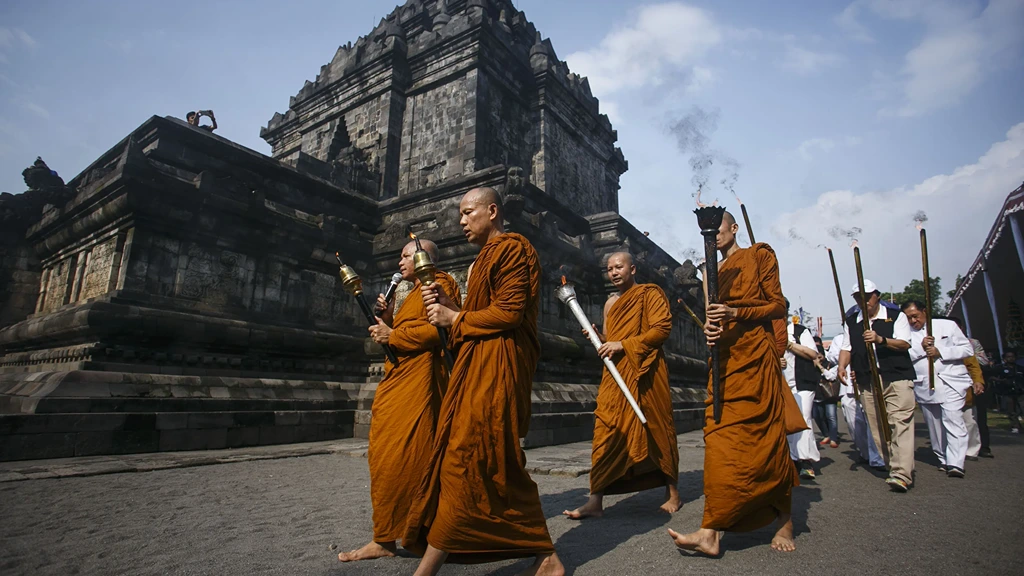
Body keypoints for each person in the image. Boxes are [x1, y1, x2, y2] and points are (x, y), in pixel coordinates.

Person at [404, 187, 564, 576]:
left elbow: (507, 315)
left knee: (465, 457)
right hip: (477, 368)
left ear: (492, 211)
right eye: (460, 214)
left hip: (499, 370)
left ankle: (424, 571)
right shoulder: (480, 263)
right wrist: (452, 307)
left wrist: (454, 318)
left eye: (467, 212)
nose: (461, 221)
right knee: (496, 462)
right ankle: (547, 557)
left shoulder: (513, 248)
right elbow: (480, 318)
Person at [668, 211, 805, 555]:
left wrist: (735, 313)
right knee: (719, 445)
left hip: (756, 361)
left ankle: (784, 522)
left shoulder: (759, 255)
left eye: (718, 229)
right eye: (707, 233)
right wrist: (712, 329)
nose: (713, 237)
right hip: (725, 364)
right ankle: (711, 532)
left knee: (767, 444)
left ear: (733, 228)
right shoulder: (710, 272)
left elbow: (777, 306)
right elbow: (713, 318)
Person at [337, 239, 458, 563]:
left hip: (420, 386)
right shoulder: (410, 295)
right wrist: (389, 320)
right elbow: (406, 333)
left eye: (406, 255)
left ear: (423, 259)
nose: (400, 260)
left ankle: (424, 534)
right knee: (385, 458)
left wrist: (394, 335)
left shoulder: (440, 283)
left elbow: (440, 332)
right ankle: (384, 538)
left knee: (410, 458)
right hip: (399, 384)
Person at [563, 252, 680, 520]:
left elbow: (661, 329)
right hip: (616, 376)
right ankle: (595, 500)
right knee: (607, 429)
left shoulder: (650, 294)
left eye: (619, 267)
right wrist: (599, 338)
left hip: (646, 371)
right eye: (609, 269)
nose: (614, 272)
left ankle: (672, 491)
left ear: (633, 268)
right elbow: (611, 340)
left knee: (657, 427)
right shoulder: (609, 303)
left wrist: (623, 344)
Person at [837, 279, 915, 492]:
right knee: (877, 426)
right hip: (866, 378)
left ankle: (902, 472)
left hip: (895, 375)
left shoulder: (895, 315)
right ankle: (893, 465)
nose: (865, 301)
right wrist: (842, 366)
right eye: (858, 297)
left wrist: (881, 340)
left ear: (876, 295)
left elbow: (905, 343)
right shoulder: (852, 320)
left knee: (899, 422)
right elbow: (847, 347)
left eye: (868, 296)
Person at [902, 303, 973, 478]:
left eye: (915, 316)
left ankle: (956, 463)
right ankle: (943, 458)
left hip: (951, 381)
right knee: (934, 425)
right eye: (909, 318)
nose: (913, 320)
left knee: (953, 419)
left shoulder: (947, 325)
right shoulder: (905, 334)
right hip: (925, 384)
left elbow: (967, 349)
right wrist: (920, 347)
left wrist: (940, 351)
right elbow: (903, 357)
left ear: (924, 312)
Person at [784, 312, 822, 478]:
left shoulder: (798, 331)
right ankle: (792, 458)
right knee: (788, 421)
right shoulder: (766, 330)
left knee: (803, 417)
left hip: (802, 383)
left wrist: (789, 345)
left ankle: (804, 460)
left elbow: (813, 354)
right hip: (782, 383)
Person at [812, 336, 839, 449]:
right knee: (818, 416)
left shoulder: (830, 364)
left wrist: (819, 366)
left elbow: (831, 377)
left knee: (831, 416)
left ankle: (833, 438)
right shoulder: (810, 366)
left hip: (829, 395)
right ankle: (826, 434)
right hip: (817, 395)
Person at [991, 351, 1024, 433]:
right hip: (1007, 391)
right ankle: (1015, 425)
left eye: (1012, 356)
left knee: (1022, 407)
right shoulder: (1000, 368)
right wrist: (1000, 380)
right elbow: (991, 377)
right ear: (1004, 359)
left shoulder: (1020, 368)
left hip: (1020, 391)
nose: (1011, 358)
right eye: (1008, 357)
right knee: (1011, 410)